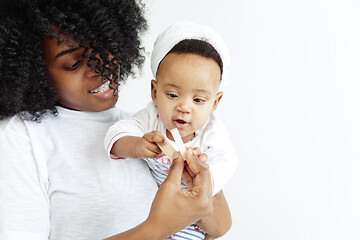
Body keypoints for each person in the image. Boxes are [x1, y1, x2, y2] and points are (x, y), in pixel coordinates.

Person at [0, 1, 231, 239]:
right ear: (35, 71)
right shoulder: (24, 137)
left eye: (104, 47)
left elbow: (220, 226)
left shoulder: (143, 129)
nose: (99, 67)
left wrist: (197, 179)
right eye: (74, 64)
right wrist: (157, 228)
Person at [105, 21, 238, 239]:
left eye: (198, 99)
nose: (184, 107)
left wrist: (207, 179)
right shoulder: (151, 118)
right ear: (154, 92)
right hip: (155, 219)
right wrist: (137, 145)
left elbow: (227, 160)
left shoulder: (212, 132)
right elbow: (118, 132)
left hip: (192, 221)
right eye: (173, 95)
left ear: (215, 103)